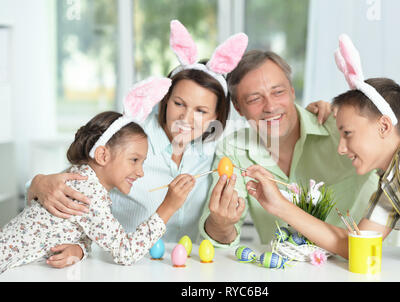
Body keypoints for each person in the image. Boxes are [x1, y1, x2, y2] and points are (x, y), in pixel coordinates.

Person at [23, 20, 249, 268]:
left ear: (216, 117)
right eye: (179, 104)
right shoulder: (130, 137)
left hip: (183, 268)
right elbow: (67, 186)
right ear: (164, 100)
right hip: (116, 266)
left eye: (201, 110)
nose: (186, 119)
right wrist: (38, 182)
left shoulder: (213, 153)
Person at [243, 35, 400, 271]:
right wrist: (278, 204)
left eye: (348, 133)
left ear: (383, 126)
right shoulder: (393, 180)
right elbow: (353, 246)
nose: (341, 148)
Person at [0, 78, 193, 274]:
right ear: (102, 155)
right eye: (134, 160)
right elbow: (125, 252)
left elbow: (79, 230)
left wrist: (80, 249)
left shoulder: (80, 178)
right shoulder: (88, 192)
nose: (140, 172)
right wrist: (169, 207)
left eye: (142, 162)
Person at [199, 49, 380, 247]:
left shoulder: (338, 127)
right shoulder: (234, 149)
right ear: (238, 107)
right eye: (254, 99)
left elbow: (392, 154)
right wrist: (221, 225)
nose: (270, 106)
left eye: (278, 92)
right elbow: (221, 239)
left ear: (292, 91)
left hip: (362, 266)